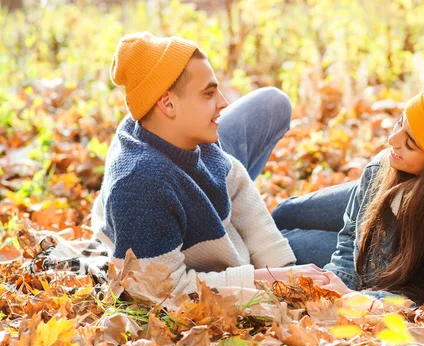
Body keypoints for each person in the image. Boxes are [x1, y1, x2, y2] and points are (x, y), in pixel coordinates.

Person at [91, 32, 335, 295]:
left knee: (272, 103)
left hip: (190, 196)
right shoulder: (140, 187)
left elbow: (237, 185)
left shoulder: (188, 133)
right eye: (208, 93)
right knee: (350, 251)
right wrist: (267, 279)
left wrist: (283, 267)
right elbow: (163, 292)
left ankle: (284, 221)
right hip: (166, 222)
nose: (223, 103)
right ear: (168, 104)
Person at [273, 81, 424, 308]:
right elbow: (350, 238)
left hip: (401, 273)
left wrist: (356, 299)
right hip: (378, 249)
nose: (392, 140)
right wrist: (337, 282)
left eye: (410, 143)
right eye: (400, 122)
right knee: (283, 214)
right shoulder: (384, 166)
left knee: (286, 243)